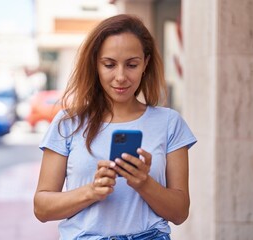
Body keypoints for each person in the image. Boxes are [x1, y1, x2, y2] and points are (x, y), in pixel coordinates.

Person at [33, 14, 197, 240]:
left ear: (145, 64)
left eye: (131, 65)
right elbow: (41, 208)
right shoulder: (68, 123)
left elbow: (180, 213)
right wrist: (91, 191)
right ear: (95, 64)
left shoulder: (170, 123)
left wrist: (144, 183)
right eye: (109, 64)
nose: (120, 77)